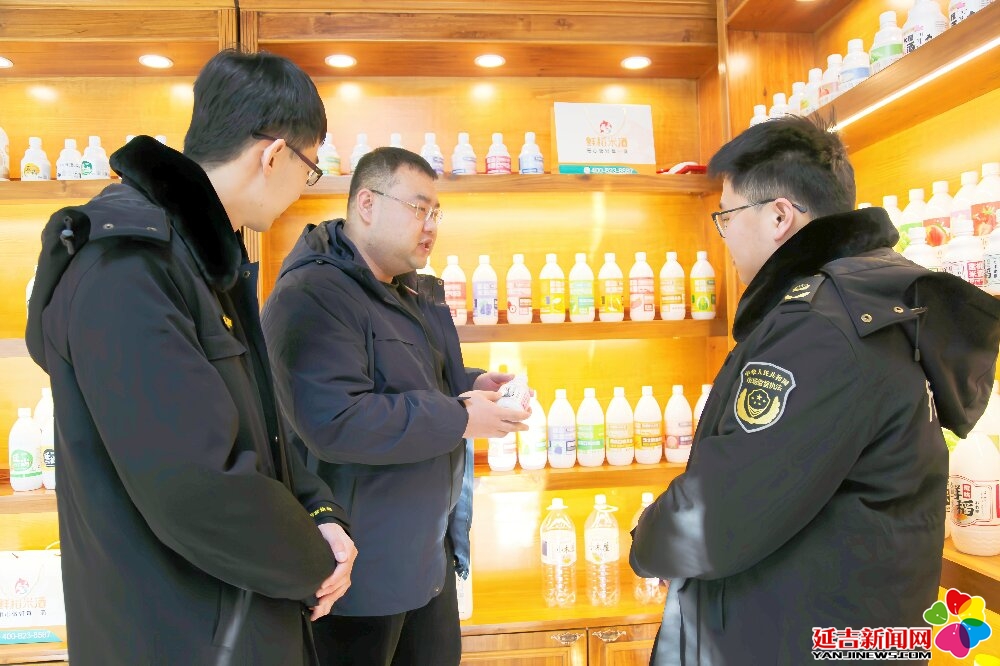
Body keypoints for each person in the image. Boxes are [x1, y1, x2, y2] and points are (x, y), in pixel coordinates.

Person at [24, 49, 357, 665]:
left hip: (228, 619)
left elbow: (258, 429)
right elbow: (194, 486)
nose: (302, 189)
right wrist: (314, 563)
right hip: (179, 634)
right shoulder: (129, 265)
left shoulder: (202, 261)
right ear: (273, 155)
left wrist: (321, 511)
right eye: (310, 170)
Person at [629, 115, 1000, 665]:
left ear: (779, 216)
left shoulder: (820, 328)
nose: (724, 234)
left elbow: (724, 514)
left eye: (727, 216)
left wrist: (648, 537)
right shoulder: (868, 301)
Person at [261, 146, 530, 665]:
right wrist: (461, 417)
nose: (430, 226)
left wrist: (476, 383)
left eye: (436, 213)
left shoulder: (404, 291)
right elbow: (336, 421)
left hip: (425, 558)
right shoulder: (313, 293)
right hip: (358, 576)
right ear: (367, 203)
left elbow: (419, 380)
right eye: (418, 209)